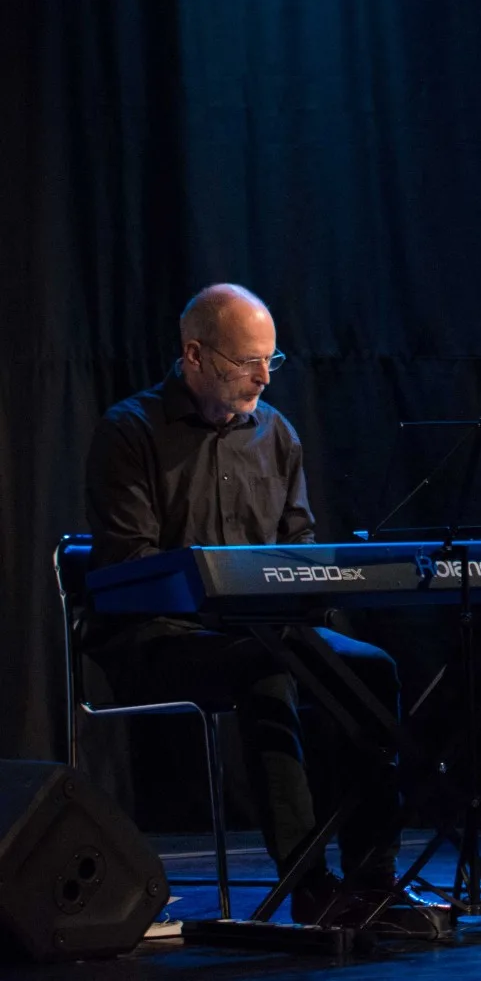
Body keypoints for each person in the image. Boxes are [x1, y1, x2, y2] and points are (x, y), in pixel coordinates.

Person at [85, 284, 438, 929]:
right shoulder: (130, 432)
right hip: (159, 637)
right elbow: (128, 568)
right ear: (193, 354)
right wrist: (219, 587)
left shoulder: (276, 434)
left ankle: (373, 881)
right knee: (265, 672)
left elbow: (298, 545)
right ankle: (307, 887)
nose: (262, 378)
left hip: (263, 631)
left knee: (372, 668)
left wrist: (312, 588)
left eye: (271, 362)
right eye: (247, 363)